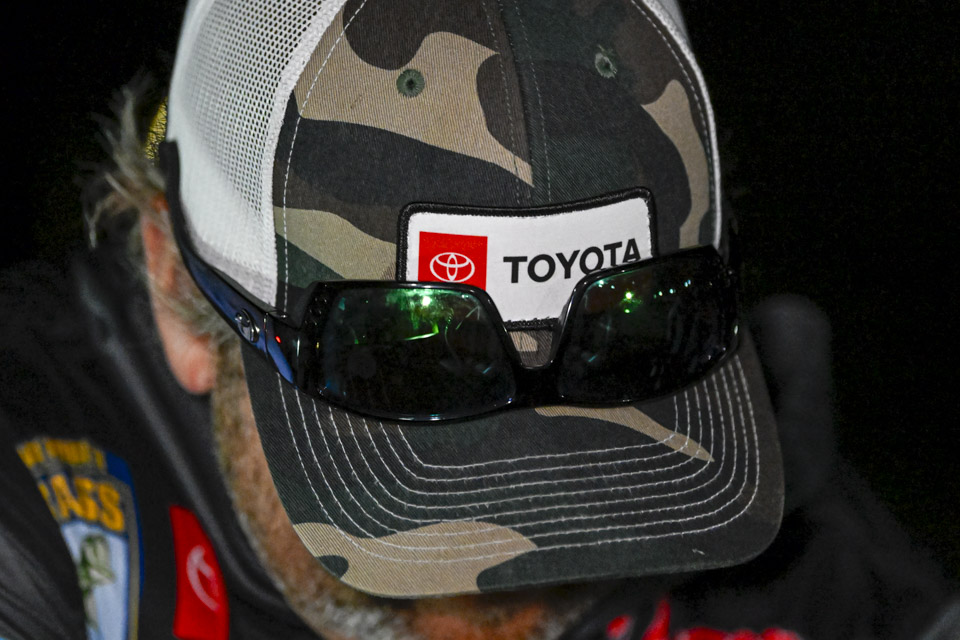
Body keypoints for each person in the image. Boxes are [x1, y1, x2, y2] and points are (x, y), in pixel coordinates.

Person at [1, 1, 957, 639]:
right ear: (175, 282)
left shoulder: (791, 546)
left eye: (626, 340)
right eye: (412, 356)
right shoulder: (31, 501)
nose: (504, 596)